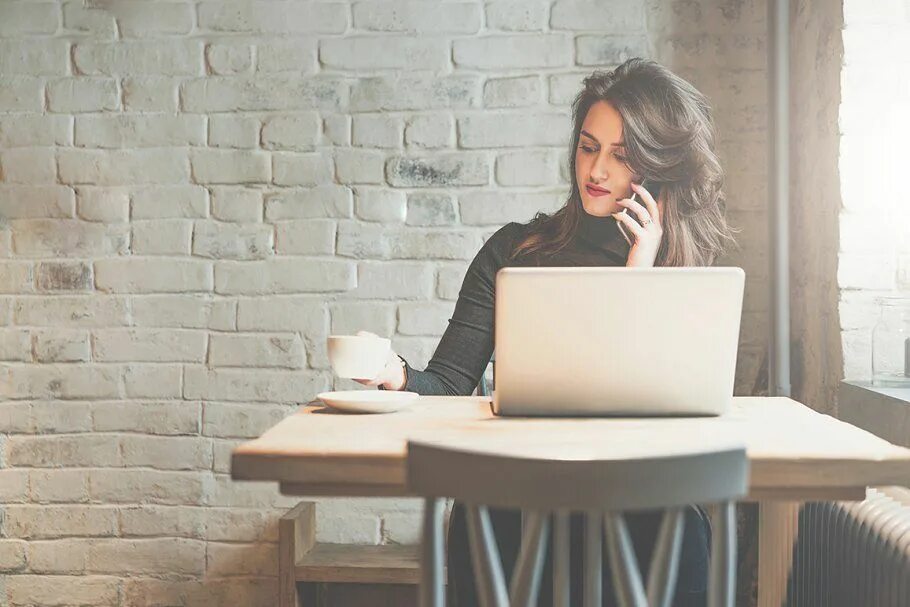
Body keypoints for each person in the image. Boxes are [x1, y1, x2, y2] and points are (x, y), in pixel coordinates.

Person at [355, 58, 737, 606]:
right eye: (588, 147)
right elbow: (447, 386)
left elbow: (682, 416)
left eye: (620, 155)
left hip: (642, 500)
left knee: (681, 526)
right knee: (484, 515)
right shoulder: (513, 251)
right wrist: (396, 375)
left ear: (654, 168)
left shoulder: (684, 274)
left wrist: (640, 271)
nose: (597, 171)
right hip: (517, 499)